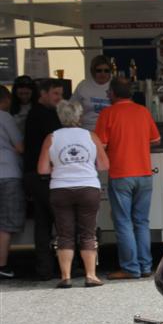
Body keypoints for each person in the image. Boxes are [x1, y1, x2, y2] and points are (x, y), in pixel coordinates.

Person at [36, 100, 108, 288]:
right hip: (88, 188)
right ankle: (91, 275)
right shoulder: (91, 136)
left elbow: (42, 169)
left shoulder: (51, 138)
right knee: (88, 233)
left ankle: (65, 276)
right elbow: (104, 165)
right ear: (80, 116)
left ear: (60, 117)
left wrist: (61, 168)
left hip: (60, 189)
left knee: (64, 234)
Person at [96, 77, 161, 280]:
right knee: (141, 222)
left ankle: (130, 268)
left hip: (121, 173)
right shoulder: (143, 111)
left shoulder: (107, 113)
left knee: (123, 222)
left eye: (108, 92)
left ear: (113, 94)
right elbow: (156, 140)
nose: (107, 95)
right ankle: (145, 266)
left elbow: (100, 144)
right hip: (144, 173)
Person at [22, 78, 64, 280]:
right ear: (43, 93)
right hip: (44, 175)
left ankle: (44, 269)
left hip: (33, 175)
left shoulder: (35, 113)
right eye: (56, 93)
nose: (59, 98)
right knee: (62, 222)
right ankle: (67, 268)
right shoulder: (45, 116)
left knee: (43, 224)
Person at [0, 85, 25, 279]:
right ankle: (2, 264)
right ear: (5, 100)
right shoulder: (5, 117)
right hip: (8, 172)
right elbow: (19, 146)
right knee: (6, 222)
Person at [70, 55, 113, 131]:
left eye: (106, 70)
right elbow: (71, 108)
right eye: (99, 70)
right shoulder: (83, 85)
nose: (103, 74)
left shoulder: (115, 85)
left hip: (110, 128)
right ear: (93, 71)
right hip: (87, 128)